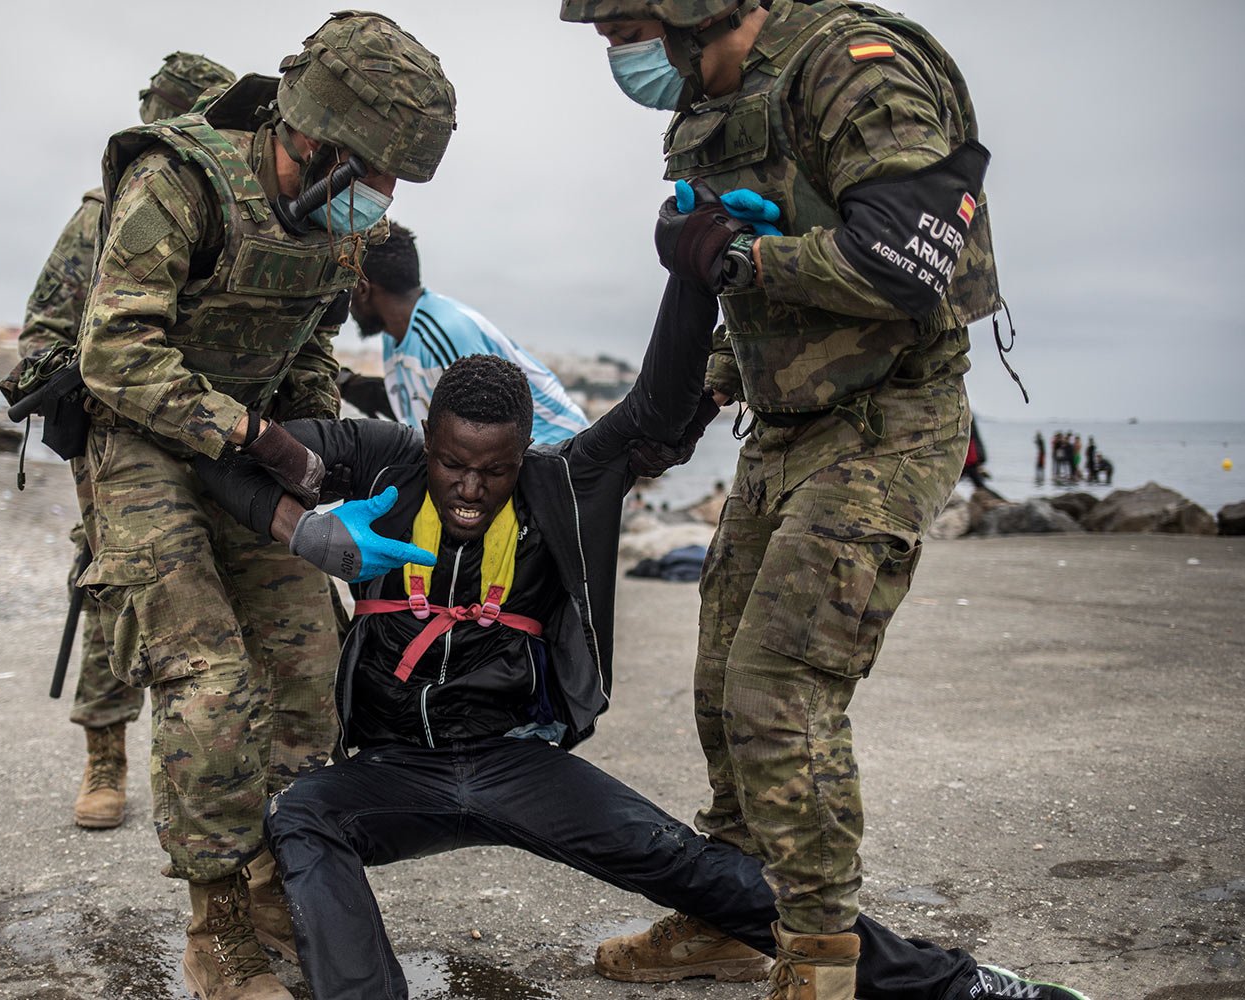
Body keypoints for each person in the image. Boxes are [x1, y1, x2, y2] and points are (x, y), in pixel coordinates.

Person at [200, 342, 1089, 1000]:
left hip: (518, 766)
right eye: (452, 462)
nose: (469, 488)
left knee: (704, 873)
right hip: (394, 771)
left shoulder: (561, 483)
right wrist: (303, 528)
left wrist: (691, 274)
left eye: (494, 470)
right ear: (425, 438)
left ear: (522, 457)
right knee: (303, 819)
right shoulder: (377, 454)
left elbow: (658, 405)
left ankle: (963, 987)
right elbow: (225, 458)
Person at [564, 2, 1007, 994]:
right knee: (723, 681)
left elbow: (908, 262)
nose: (621, 56)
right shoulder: (705, 101)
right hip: (785, 421)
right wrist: (722, 360)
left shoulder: (854, 68)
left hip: (890, 418)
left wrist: (749, 258)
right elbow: (741, 268)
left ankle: (818, 953)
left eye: (622, 30)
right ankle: (732, 909)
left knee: (783, 687)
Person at [74, 12, 456, 999]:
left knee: (308, 674)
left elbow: (304, 351)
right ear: (316, 135)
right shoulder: (182, 181)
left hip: (261, 449)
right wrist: (250, 438)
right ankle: (219, 927)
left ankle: (273, 867)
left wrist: (319, 463)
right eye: (376, 169)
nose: (383, 198)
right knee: (210, 686)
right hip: (145, 443)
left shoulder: (341, 227)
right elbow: (112, 354)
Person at [21, 51, 236, 835]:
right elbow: (43, 332)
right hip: (117, 438)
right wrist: (80, 393)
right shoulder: (103, 215)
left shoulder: (225, 209)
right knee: (117, 590)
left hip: (206, 432)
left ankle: (212, 772)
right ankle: (105, 755)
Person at [349, 220, 590, 443]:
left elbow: (481, 435)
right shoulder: (395, 334)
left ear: (362, 289)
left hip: (553, 450)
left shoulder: (441, 335)